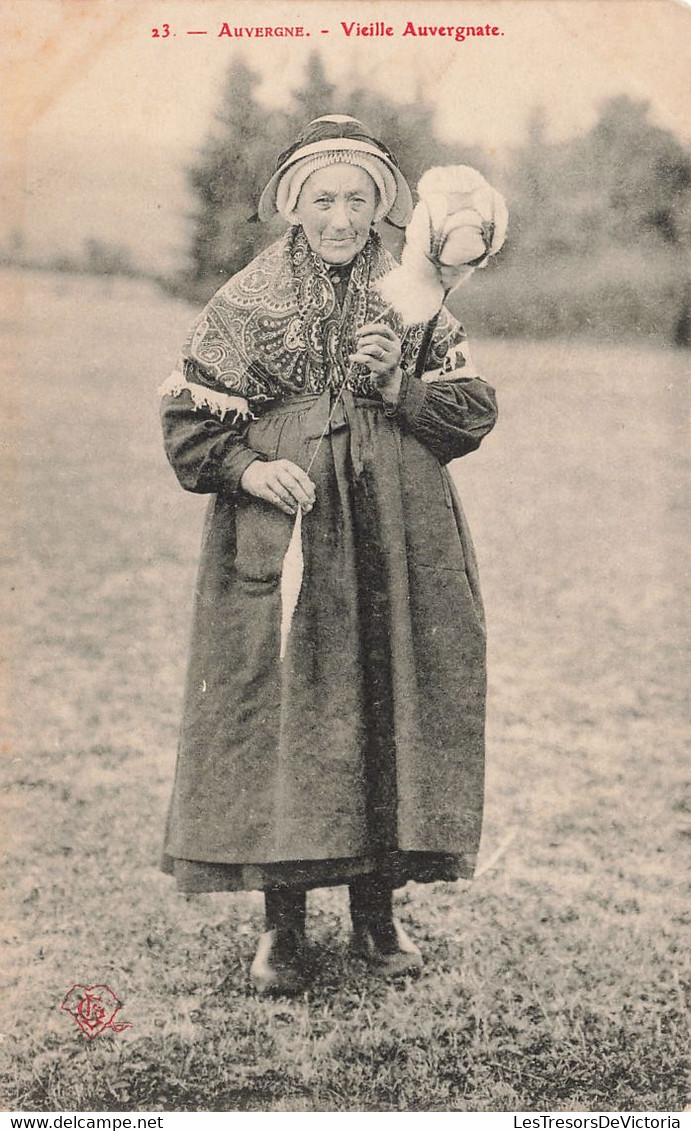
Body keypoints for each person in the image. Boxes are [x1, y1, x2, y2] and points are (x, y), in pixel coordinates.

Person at [158, 115, 498, 994]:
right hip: (288, 527)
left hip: (393, 527)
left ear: (384, 206)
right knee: (289, 711)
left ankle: (375, 914)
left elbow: (471, 414)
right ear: (293, 207)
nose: (342, 217)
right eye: (323, 199)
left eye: (358, 199)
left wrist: (398, 384)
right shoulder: (247, 299)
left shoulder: (412, 294)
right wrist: (249, 466)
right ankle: (281, 926)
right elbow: (189, 428)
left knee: (386, 700)